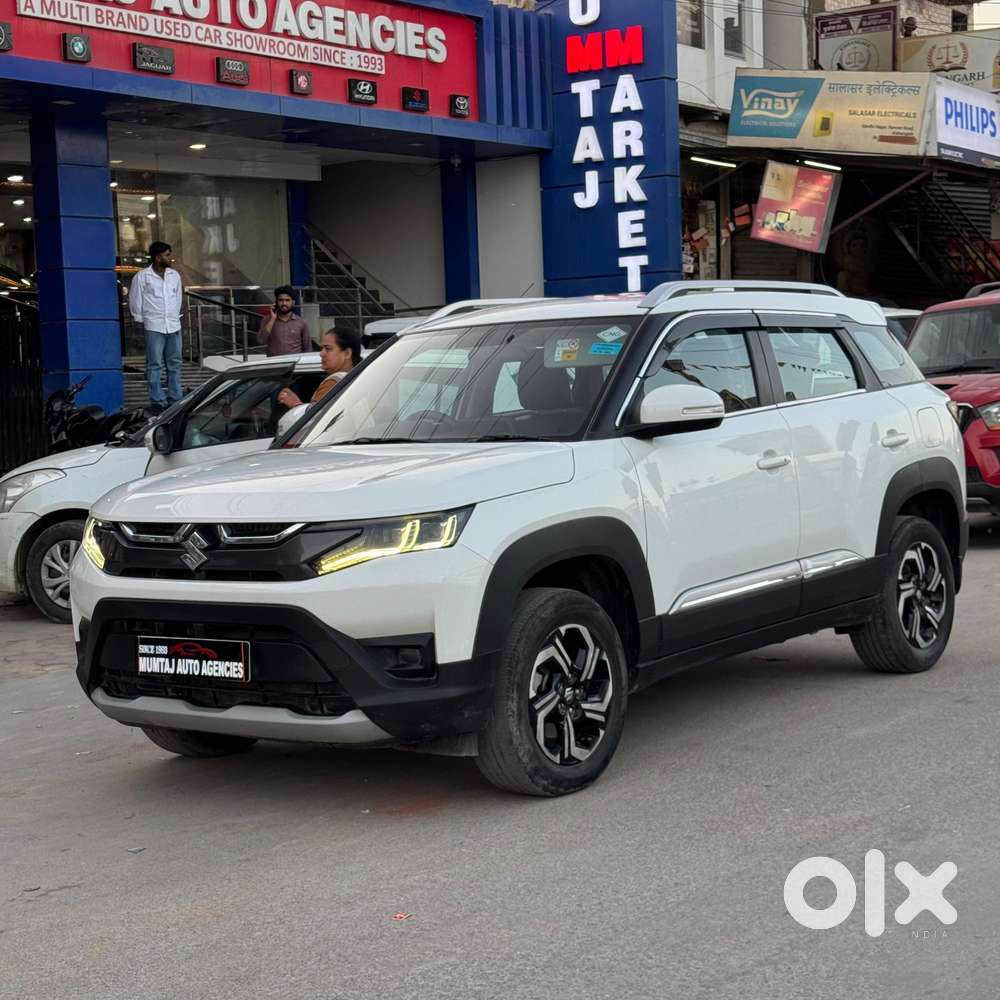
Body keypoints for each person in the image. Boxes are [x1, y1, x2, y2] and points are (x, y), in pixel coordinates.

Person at [129, 241, 183, 412]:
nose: (170, 258)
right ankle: (157, 400)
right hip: (154, 326)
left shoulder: (174, 275)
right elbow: (135, 299)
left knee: (174, 363)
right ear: (158, 257)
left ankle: (176, 397)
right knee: (155, 364)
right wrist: (139, 320)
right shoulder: (142, 276)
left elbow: (178, 297)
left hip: (173, 325)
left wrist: (176, 315)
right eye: (167, 255)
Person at [278, 328, 361, 409]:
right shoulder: (361, 377)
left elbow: (315, 419)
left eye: (328, 349)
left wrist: (295, 404)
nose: (321, 353)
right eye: (322, 349)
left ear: (347, 353)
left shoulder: (334, 382)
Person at [259, 285, 312, 357]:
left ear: (293, 302)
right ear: (276, 302)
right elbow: (261, 340)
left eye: (287, 300)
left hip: (295, 363)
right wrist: (272, 319)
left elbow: (308, 349)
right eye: (281, 300)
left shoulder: (301, 323)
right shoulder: (267, 320)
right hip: (274, 364)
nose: (284, 303)